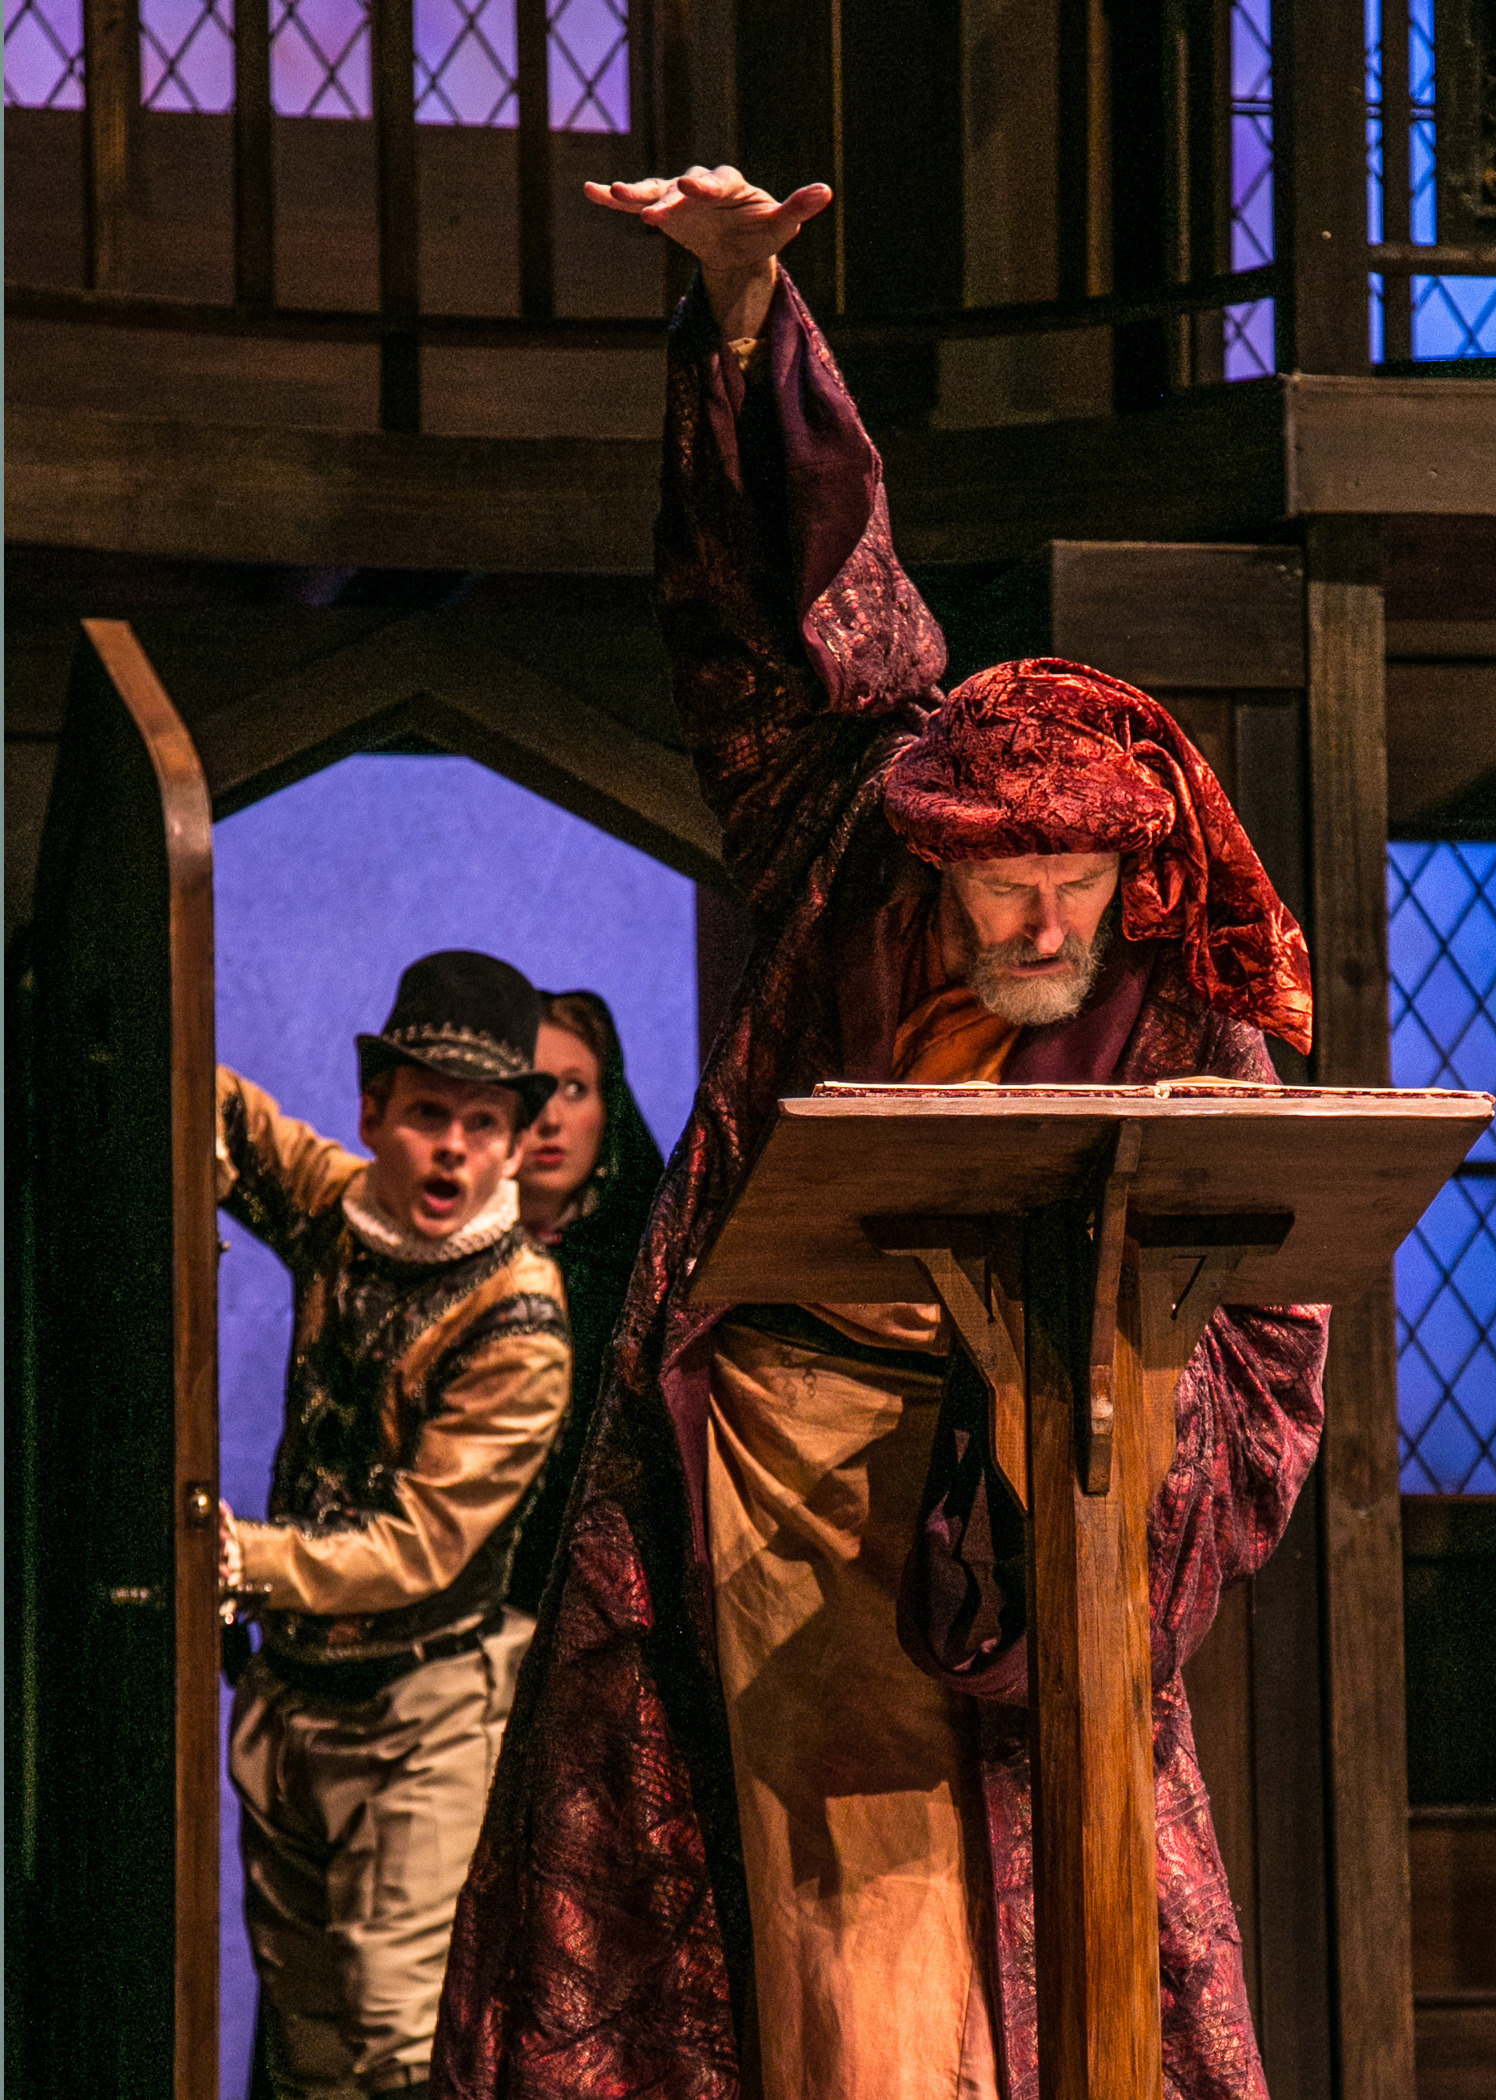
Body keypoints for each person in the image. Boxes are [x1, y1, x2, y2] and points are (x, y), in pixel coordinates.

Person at [432, 174, 1327, 2100]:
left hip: (1038, 1512)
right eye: (999, 882)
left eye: (1075, 884)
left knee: (1071, 1960)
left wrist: (1115, 1438)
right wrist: (750, 312)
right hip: (785, 1469)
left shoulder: (1186, 1010)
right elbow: (798, 608)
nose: (1038, 924)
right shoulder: (854, 837)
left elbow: (1267, 1342)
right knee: (841, 1975)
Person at [217, 951, 572, 2100]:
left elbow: (421, 1544)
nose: (452, 1149)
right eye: (427, 1115)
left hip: (421, 1714)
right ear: (375, 1112)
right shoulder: (342, 1208)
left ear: (515, 1145)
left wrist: (242, 1558)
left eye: (483, 1123)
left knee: (397, 2041)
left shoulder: (519, 1320)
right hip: (295, 1697)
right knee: (307, 2038)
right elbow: (220, 1110)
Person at [503, 991, 664, 1616]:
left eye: (575, 1089)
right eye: (531, 1089)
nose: (550, 1119)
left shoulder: (649, 1274)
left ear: (609, 1104)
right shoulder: (439, 1268)